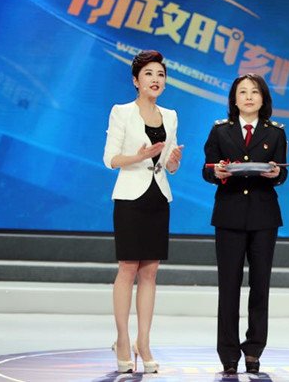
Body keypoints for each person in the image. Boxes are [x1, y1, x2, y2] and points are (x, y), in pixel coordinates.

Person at [103, 50, 183, 374]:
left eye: (160, 74)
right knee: (128, 267)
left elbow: (169, 165)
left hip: (158, 197)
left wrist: (173, 162)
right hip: (130, 198)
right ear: (136, 81)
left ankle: (144, 342)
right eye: (149, 74)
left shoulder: (171, 115)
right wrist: (139, 156)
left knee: (150, 271)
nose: (155, 79)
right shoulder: (121, 112)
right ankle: (122, 339)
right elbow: (111, 159)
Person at [202, 73, 288, 374]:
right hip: (229, 215)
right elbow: (207, 169)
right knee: (228, 286)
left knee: (260, 285)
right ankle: (228, 353)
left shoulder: (275, 132)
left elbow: (283, 172)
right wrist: (217, 172)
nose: (249, 97)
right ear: (234, 99)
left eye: (255, 92)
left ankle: (253, 350)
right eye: (242, 92)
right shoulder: (220, 131)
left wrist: (276, 173)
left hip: (264, 217)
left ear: (263, 99)